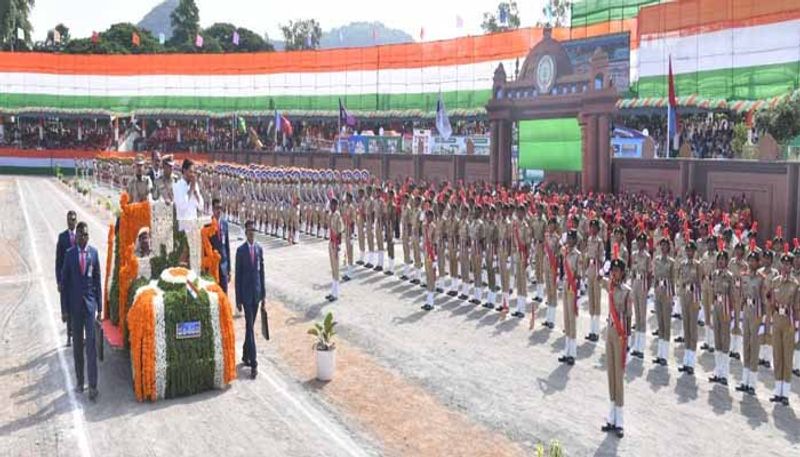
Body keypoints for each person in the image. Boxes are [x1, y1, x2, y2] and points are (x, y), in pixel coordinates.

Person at [60, 222, 102, 401]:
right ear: (75, 236)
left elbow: (98, 282)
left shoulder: (94, 253)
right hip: (75, 309)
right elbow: (64, 284)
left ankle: (93, 386)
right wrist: (64, 310)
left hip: (90, 307)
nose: (82, 237)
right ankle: (80, 381)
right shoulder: (69, 256)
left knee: (91, 347)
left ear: (88, 236)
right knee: (78, 347)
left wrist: (100, 308)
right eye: (79, 235)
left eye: (85, 234)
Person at [601, 250, 631, 439]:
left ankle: (620, 421)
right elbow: (597, 278)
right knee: (610, 374)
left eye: (617, 271)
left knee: (618, 378)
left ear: (623, 272)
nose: (614, 273)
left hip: (620, 335)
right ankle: (611, 417)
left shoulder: (626, 291)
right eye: (613, 270)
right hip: (610, 331)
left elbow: (628, 317)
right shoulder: (609, 286)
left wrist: (626, 340)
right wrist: (604, 267)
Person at [235, 220, 265, 379]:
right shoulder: (240, 251)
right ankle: (253, 363)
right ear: (246, 233)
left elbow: (262, 273)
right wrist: (238, 299)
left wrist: (264, 295)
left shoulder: (259, 249)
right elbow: (238, 276)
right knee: (250, 328)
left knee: (250, 327)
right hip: (246, 295)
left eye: (253, 230)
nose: (252, 233)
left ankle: (245, 354)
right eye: (249, 230)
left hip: (257, 294)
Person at [768, 250, 798, 405]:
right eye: (784, 263)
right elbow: (772, 302)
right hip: (777, 320)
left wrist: (797, 328)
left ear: (792, 266)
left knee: (787, 357)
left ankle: (785, 393)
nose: (786, 266)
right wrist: (771, 319)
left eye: (789, 264)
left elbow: (798, 308)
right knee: (777, 355)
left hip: (789, 323)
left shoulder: (795, 285)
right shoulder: (775, 281)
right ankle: (777, 390)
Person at [677, 240, 702, 375]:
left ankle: (691, 362)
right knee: (686, 328)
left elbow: (700, 282)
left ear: (694, 251)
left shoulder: (698, 265)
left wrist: (699, 300)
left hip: (693, 297)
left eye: (691, 250)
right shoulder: (683, 264)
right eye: (687, 250)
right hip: (685, 296)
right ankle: (686, 360)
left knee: (693, 329)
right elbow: (680, 280)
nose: (689, 252)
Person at [56, 210, 78, 347]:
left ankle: (77, 334)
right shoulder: (62, 237)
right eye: (70, 219)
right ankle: (69, 336)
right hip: (67, 279)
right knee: (68, 309)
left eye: (74, 219)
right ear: (67, 221)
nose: (72, 222)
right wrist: (58, 280)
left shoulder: (81, 235)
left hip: (78, 279)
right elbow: (58, 262)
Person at [560, 230, 581, 365]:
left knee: (572, 320)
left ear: (575, 240)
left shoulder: (577, 255)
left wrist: (577, 291)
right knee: (566, 319)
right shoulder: (565, 252)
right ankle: (566, 350)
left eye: (570, 238)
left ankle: (572, 353)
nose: (568, 240)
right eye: (567, 238)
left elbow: (579, 274)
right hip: (566, 284)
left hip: (572, 287)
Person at [173, 159, 204, 232]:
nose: (192, 175)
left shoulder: (194, 185)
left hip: (194, 225)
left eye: (193, 172)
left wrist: (196, 194)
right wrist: (191, 190)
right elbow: (182, 206)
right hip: (183, 227)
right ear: (184, 170)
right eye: (190, 172)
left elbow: (201, 207)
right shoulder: (177, 186)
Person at [211, 198, 231, 294]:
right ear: (212, 209)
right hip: (213, 267)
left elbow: (227, 248)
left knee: (224, 295)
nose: (219, 210)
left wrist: (229, 269)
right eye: (216, 208)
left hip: (223, 266)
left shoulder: (225, 224)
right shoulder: (208, 225)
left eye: (220, 208)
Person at [327, 198, 343, 302]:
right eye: (330, 205)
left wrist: (338, 245)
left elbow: (340, 232)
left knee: (336, 269)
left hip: (335, 243)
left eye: (333, 205)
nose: (331, 206)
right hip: (331, 242)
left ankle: (336, 293)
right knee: (332, 267)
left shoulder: (338, 216)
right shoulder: (331, 215)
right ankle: (333, 291)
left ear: (336, 205)